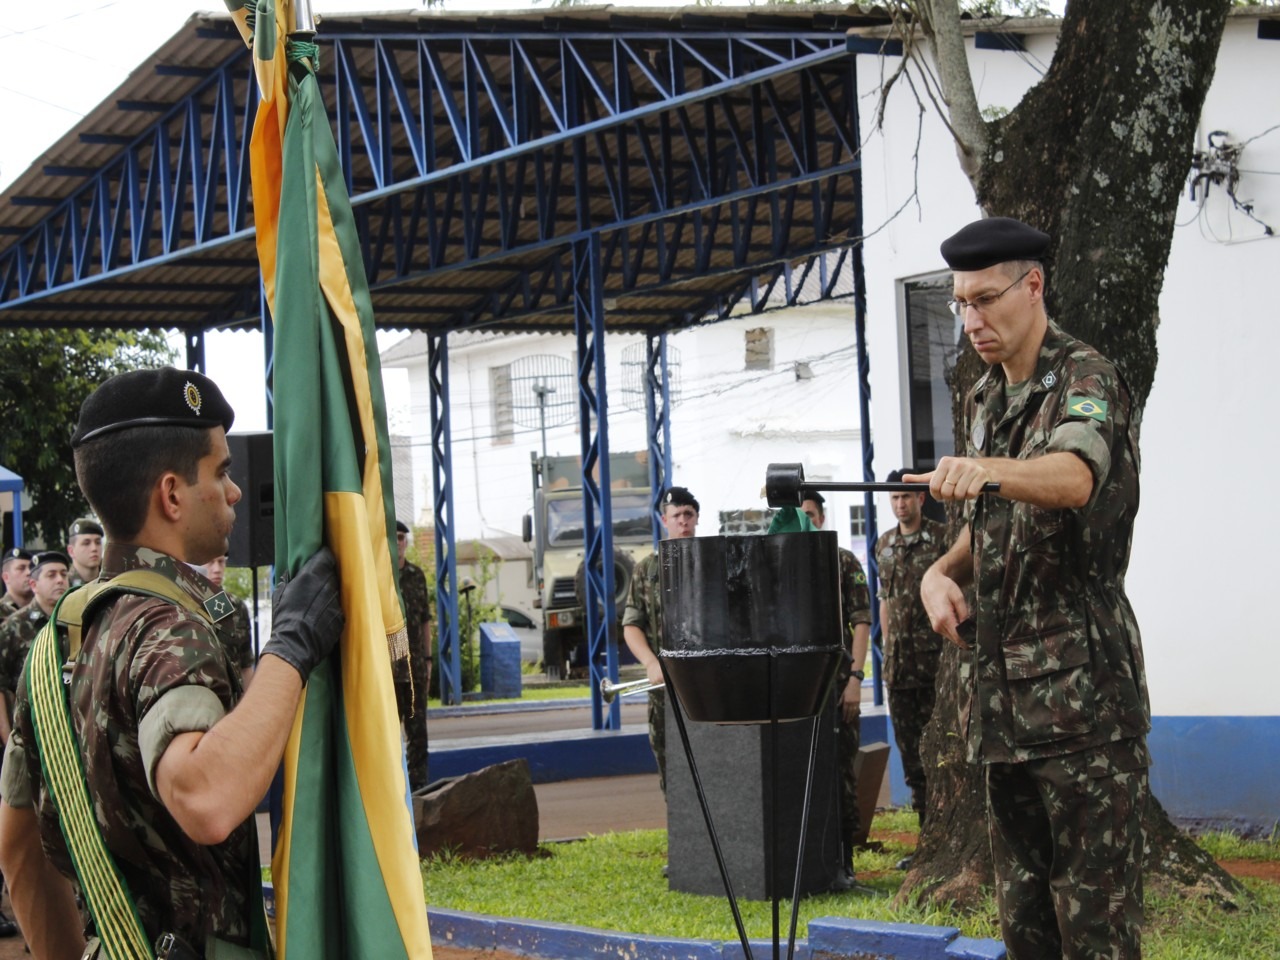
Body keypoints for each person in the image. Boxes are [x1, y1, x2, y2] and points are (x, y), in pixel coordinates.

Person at [0, 367, 344, 958]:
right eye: (222, 471)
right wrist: (290, 646)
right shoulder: (168, 625)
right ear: (172, 495)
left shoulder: (56, 642)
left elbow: (17, 845)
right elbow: (204, 797)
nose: (235, 492)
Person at [910, 217, 1149, 960]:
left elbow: (1073, 478)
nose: (971, 320)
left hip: (1083, 707)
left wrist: (990, 471)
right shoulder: (987, 398)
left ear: (1033, 285)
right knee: (1026, 929)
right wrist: (938, 572)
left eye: (985, 299)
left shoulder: (1085, 377)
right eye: (960, 304)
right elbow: (991, 529)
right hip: (1004, 705)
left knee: (1096, 934)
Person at [799, 489, 872, 892]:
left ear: (822, 518)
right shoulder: (785, 563)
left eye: (811, 515)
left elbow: (862, 621)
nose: (805, 522)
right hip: (801, 693)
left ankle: (846, 865)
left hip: (839, 684)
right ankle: (812, 865)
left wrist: (856, 680)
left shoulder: (842, 561)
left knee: (841, 775)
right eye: (799, 515)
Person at [873, 469, 947, 841]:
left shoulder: (942, 539)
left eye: (906, 497)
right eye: (894, 498)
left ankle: (948, 832)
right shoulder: (884, 544)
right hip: (900, 670)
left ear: (921, 499)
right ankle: (926, 840)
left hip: (936, 667)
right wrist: (887, 650)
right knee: (912, 758)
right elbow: (885, 602)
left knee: (944, 753)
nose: (900, 504)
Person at [622, 486, 699, 797]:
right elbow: (631, 626)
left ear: (696, 518)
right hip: (663, 689)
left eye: (688, 514)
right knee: (671, 773)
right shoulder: (647, 570)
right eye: (676, 515)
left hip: (707, 689)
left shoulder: (714, 560)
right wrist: (651, 663)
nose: (683, 521)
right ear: (663, 519)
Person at [0, 551, 70, 744]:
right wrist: (8, 741)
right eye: (51, 575)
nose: (60, 580)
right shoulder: (13, 627)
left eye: (64, 574)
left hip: (69, 734)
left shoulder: (76, 623)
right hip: (29, 734)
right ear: (33, 584)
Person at [394, 520, 432, 793]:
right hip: (388, 668)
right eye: (393, 537)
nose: (397, 543)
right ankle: (393, 786)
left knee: (417, 730)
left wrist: (429, 660)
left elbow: (426, 621)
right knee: (388, 733)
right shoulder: (379, 577)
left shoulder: (417, 576)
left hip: (415, 666)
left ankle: (418, 785)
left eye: (401, 538)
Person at [203, 555, 256, 686]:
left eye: (221, 562)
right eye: (210, 562)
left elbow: (246, 665)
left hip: (234, 698)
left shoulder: (236, 606)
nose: (217, 569)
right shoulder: (181, 607)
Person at [65, 516, 104, 588]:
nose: (94, 548)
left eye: (98, 542)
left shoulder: (112, 579)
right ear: (71, 551)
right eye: (86, 543)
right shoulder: (64, 585)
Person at [0, 549, 32, 620]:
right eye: (21, 568)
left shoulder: (46, 608)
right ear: (6, 577)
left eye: (31, 568)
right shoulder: (2, 610)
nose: (29, 572)